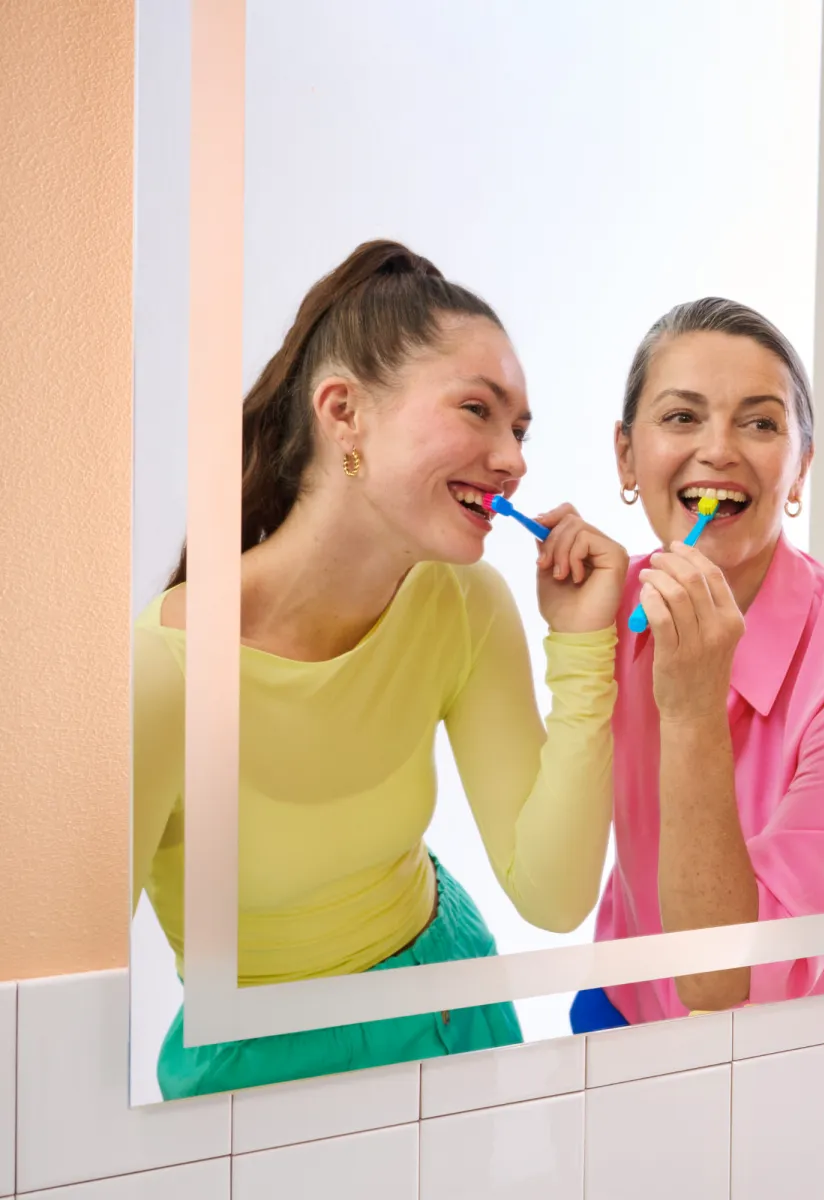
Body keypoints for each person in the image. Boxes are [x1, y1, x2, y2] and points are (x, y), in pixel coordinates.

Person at [133, 240, 628, 1096]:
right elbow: (55, 1006)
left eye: (519, 429)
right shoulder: (163, 674)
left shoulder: (463, 603)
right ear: (344, 412)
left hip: (454, 1008)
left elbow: (553, 896)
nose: (513, 457)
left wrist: (585, 650)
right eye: (478, 410)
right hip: (259, 1073)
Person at [573, 297, 824, 1031]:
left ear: (798, 472)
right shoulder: (612, 606)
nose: (719, 449)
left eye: (760, 423)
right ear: (626, 455)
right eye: (682, 417)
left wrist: (692, 709)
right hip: (636, 1000)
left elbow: (729, 978)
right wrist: (572, 642)